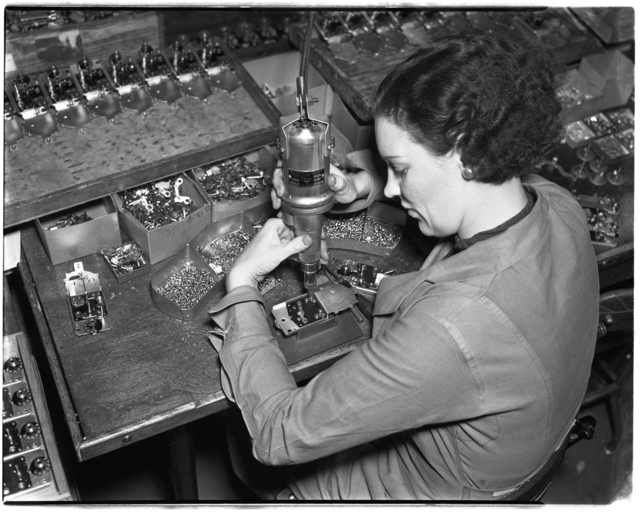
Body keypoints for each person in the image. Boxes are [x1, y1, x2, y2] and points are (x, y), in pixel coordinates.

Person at [208, 32, 599, 500]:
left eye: (401, 169)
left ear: (467, 155)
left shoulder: (453, 327)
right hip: (526, 452)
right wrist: (357, 185)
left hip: (432, 489)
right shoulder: (558, 205)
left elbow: (277, 432)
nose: (391, 189)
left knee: (244, 445)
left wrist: (243, 282)